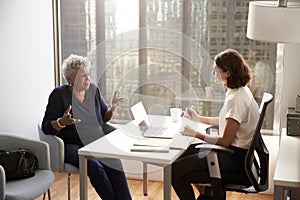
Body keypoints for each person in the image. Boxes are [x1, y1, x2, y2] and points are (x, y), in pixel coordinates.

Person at [171, 49, 260, 200]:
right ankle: (207, 195)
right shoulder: (238, 91)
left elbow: (225, 140)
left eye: (215, 70)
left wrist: (195, 133)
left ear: (227, 72)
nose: (213, 73)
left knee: (174, 170)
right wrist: (198, 118)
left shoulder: (237, 99)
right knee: (182, 155)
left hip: (236, 159)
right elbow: (225, 121)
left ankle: (207, 195)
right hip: (237, 154)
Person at [42, 54, 132, 200]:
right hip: (72, 146)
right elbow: (46, 127)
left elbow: (104, 118)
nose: (88, 78)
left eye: (88, 74)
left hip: (97, 143)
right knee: (95, 166)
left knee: (115, 162)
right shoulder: (59, 95)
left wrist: (113, 108)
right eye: (82, 75)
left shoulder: (93, 90)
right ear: (70, 79)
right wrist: (61, 122)